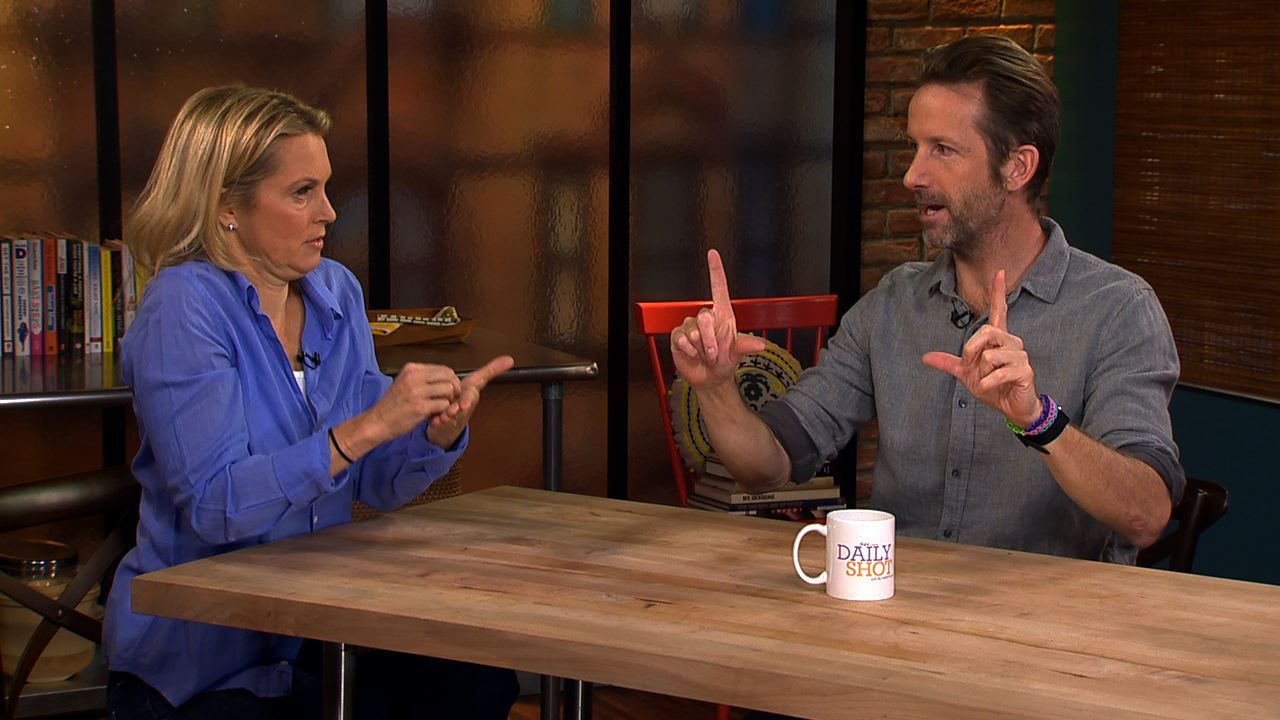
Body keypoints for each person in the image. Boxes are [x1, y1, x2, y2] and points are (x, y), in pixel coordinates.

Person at [670, 35, 1183, 564]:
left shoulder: (1118, 310)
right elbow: (768, 465)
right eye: (915, 147)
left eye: (943, 149)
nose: (912, 176)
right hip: (897, 604)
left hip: (1048, 613)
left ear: (1017, 167)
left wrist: (1037, 419)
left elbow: (1146, 515)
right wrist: (716, 388)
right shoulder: (893, 304)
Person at [103, 85, 520, 719]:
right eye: (302, 193)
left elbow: (376, 485)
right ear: (226, 206)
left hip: (313, 633)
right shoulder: (183, 307)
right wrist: (367, 427)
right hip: (203, 660)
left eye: (326, 188)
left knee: (479, 681)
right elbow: (216, 506)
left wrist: (433, 432)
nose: (328, 212)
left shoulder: (336, 292)